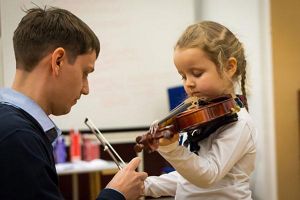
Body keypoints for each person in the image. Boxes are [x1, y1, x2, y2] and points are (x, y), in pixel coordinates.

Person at [0, 7, 147, 200]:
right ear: (58, 61)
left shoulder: (11, 125)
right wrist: (116, 195)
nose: (86, 89)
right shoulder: (19, 138)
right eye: (85, 73)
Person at [144, 21, 257, 199]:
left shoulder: (239, 124)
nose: (188, 82)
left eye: (196, 73)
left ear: (229, 67)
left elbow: (207, 176)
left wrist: (172, 149)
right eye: (183, 75)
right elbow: (189, 179)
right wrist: (147, 186)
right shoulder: (201, 118)